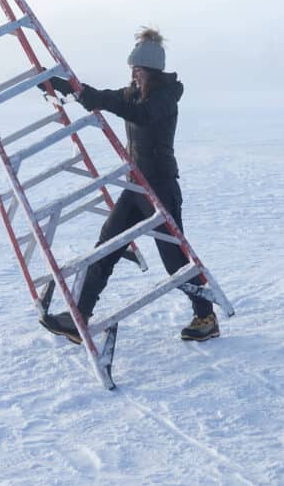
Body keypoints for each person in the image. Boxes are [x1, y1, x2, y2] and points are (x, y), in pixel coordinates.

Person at [39, 28, 219, 343]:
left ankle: (206, 316)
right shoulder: (133, 93)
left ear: (149, 68)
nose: (131, 73)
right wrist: (68, 88)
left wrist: (104, 100)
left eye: (136, 68)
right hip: (136, 187)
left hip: (161, 186)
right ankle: (79, 316)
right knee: (106, 246)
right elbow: (106, 97)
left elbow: (142, 115)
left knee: (174, 259)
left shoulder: (164, 97)